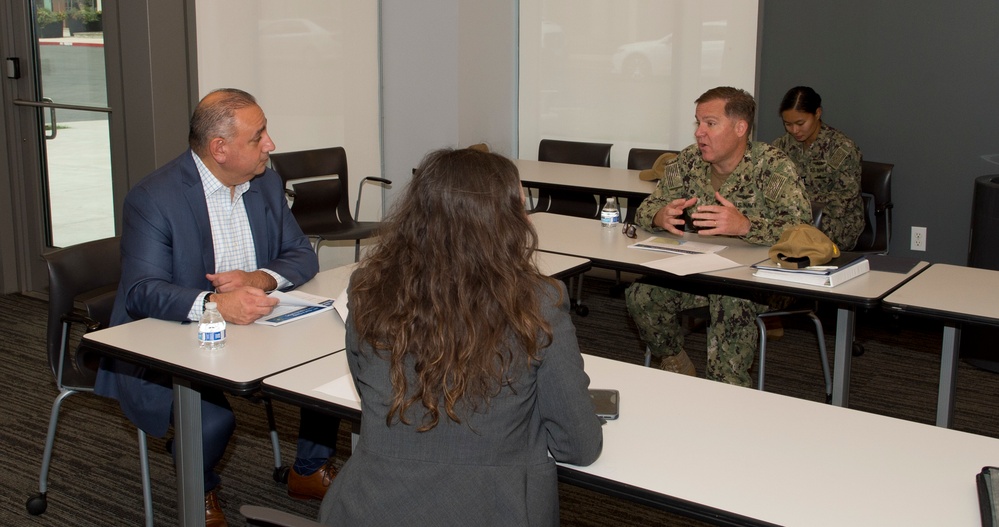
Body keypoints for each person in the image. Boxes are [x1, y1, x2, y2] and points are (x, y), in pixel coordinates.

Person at [94, 88, 340, 526]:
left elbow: (302, 254)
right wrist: (215, 303)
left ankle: (307, 470)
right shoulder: (155, 198)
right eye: (259, 136)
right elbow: (141, 291)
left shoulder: (264, 179)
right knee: (211, 421)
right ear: (220, 149)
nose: (271, 144)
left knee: (327, 362)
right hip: (176, 337)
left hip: (256, 326)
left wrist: (258, 278)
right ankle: (200, 487)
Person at [319, 148, 603, 526]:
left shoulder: (367, 288)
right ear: (504, 220)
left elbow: (368, 384)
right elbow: (578, 446)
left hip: (366, 509)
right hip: (497, 510)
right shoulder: (539, 302)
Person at [624, 86, 811, 387]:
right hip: (701, 273)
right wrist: (660, 215)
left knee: (730, 297)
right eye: (698, 123)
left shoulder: (773, 167)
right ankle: (675, 362)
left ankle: (727, 390)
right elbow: (648, 207)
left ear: (740, 128)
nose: (699, 133)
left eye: (710, 124)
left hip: (761, 283)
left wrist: (746, 226)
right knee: (641, 295)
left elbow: (802, 231)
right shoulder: (687, 162)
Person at [773, 86, 864, 250]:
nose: (794, 130)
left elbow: (845, 199)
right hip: (793, 217)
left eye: (800, 123)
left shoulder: (840, 148)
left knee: (800, 238)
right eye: (788, 124)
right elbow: (772, 189)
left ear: (817, 113)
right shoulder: (781, 146)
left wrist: (803, 204)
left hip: (833, 220)